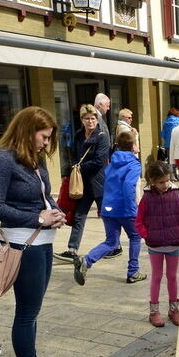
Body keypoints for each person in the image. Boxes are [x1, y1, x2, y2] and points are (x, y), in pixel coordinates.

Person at [0, 106, 68, 357]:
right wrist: (38, 218)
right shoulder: (2, 160)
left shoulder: (34, 159)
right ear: (27, 131)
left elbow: (46, 196)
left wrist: (56, 212)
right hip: (22, 243)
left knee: (34, 310)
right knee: (27, 312)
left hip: (42, 242)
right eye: (44, 137)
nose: (46, 143)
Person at [76, 130, 147, 285]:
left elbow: (107, 183)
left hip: (108, 207)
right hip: (125, 208)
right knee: (135, 236)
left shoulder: (112, 162)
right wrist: (132, 209)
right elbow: (128, 185)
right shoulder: (134, 163)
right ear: (134, 146)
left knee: (112, 241)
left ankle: (87, 260)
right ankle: (133, 271)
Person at [136, 162, 179, 327]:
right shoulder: (146, 198)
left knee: (172, 277)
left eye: (167, 180)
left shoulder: (176, 195)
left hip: (173, 245)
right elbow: (139, 222)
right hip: (155, 246)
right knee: (157, 277)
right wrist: (148, 236)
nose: (165, 184)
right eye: (161, 182)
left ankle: (174, 309)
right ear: (152, 181)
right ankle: (154, 311)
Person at [54, 104, 110, 263]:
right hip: (83, 185)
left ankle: (113, 244)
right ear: (82, 120)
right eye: (87, 119)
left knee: (106, 216)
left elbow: (99, 161)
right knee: (79, 216)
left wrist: (79, 167)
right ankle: (72, 249)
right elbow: (74, 156)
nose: (91, 121)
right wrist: (73, 168)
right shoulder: (79, 136)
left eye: (93, 118)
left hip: (99, 183)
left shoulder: (102, 136)